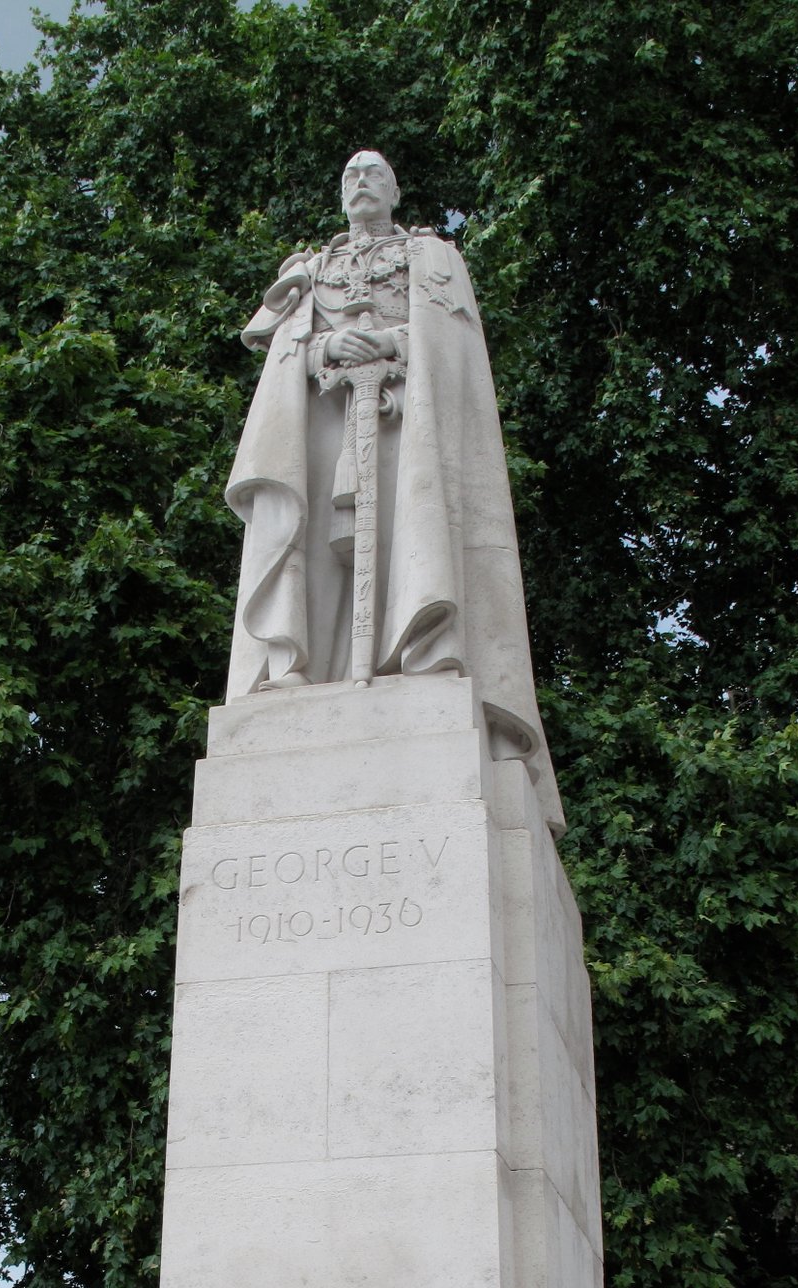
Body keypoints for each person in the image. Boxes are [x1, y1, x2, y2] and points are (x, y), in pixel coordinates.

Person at [225, 149, 564, 830]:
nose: (359, 181)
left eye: (373, 173)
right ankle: (300, 660)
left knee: (416, 532)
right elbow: (286, 350)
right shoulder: (310, 268)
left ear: (395, 189)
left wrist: (391, 342)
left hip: (407, 422)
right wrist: (327, 351)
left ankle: (422, 652)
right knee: (310, 544)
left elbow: (453, 349)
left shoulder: (432, 258)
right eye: (349, 173)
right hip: (322, 425)